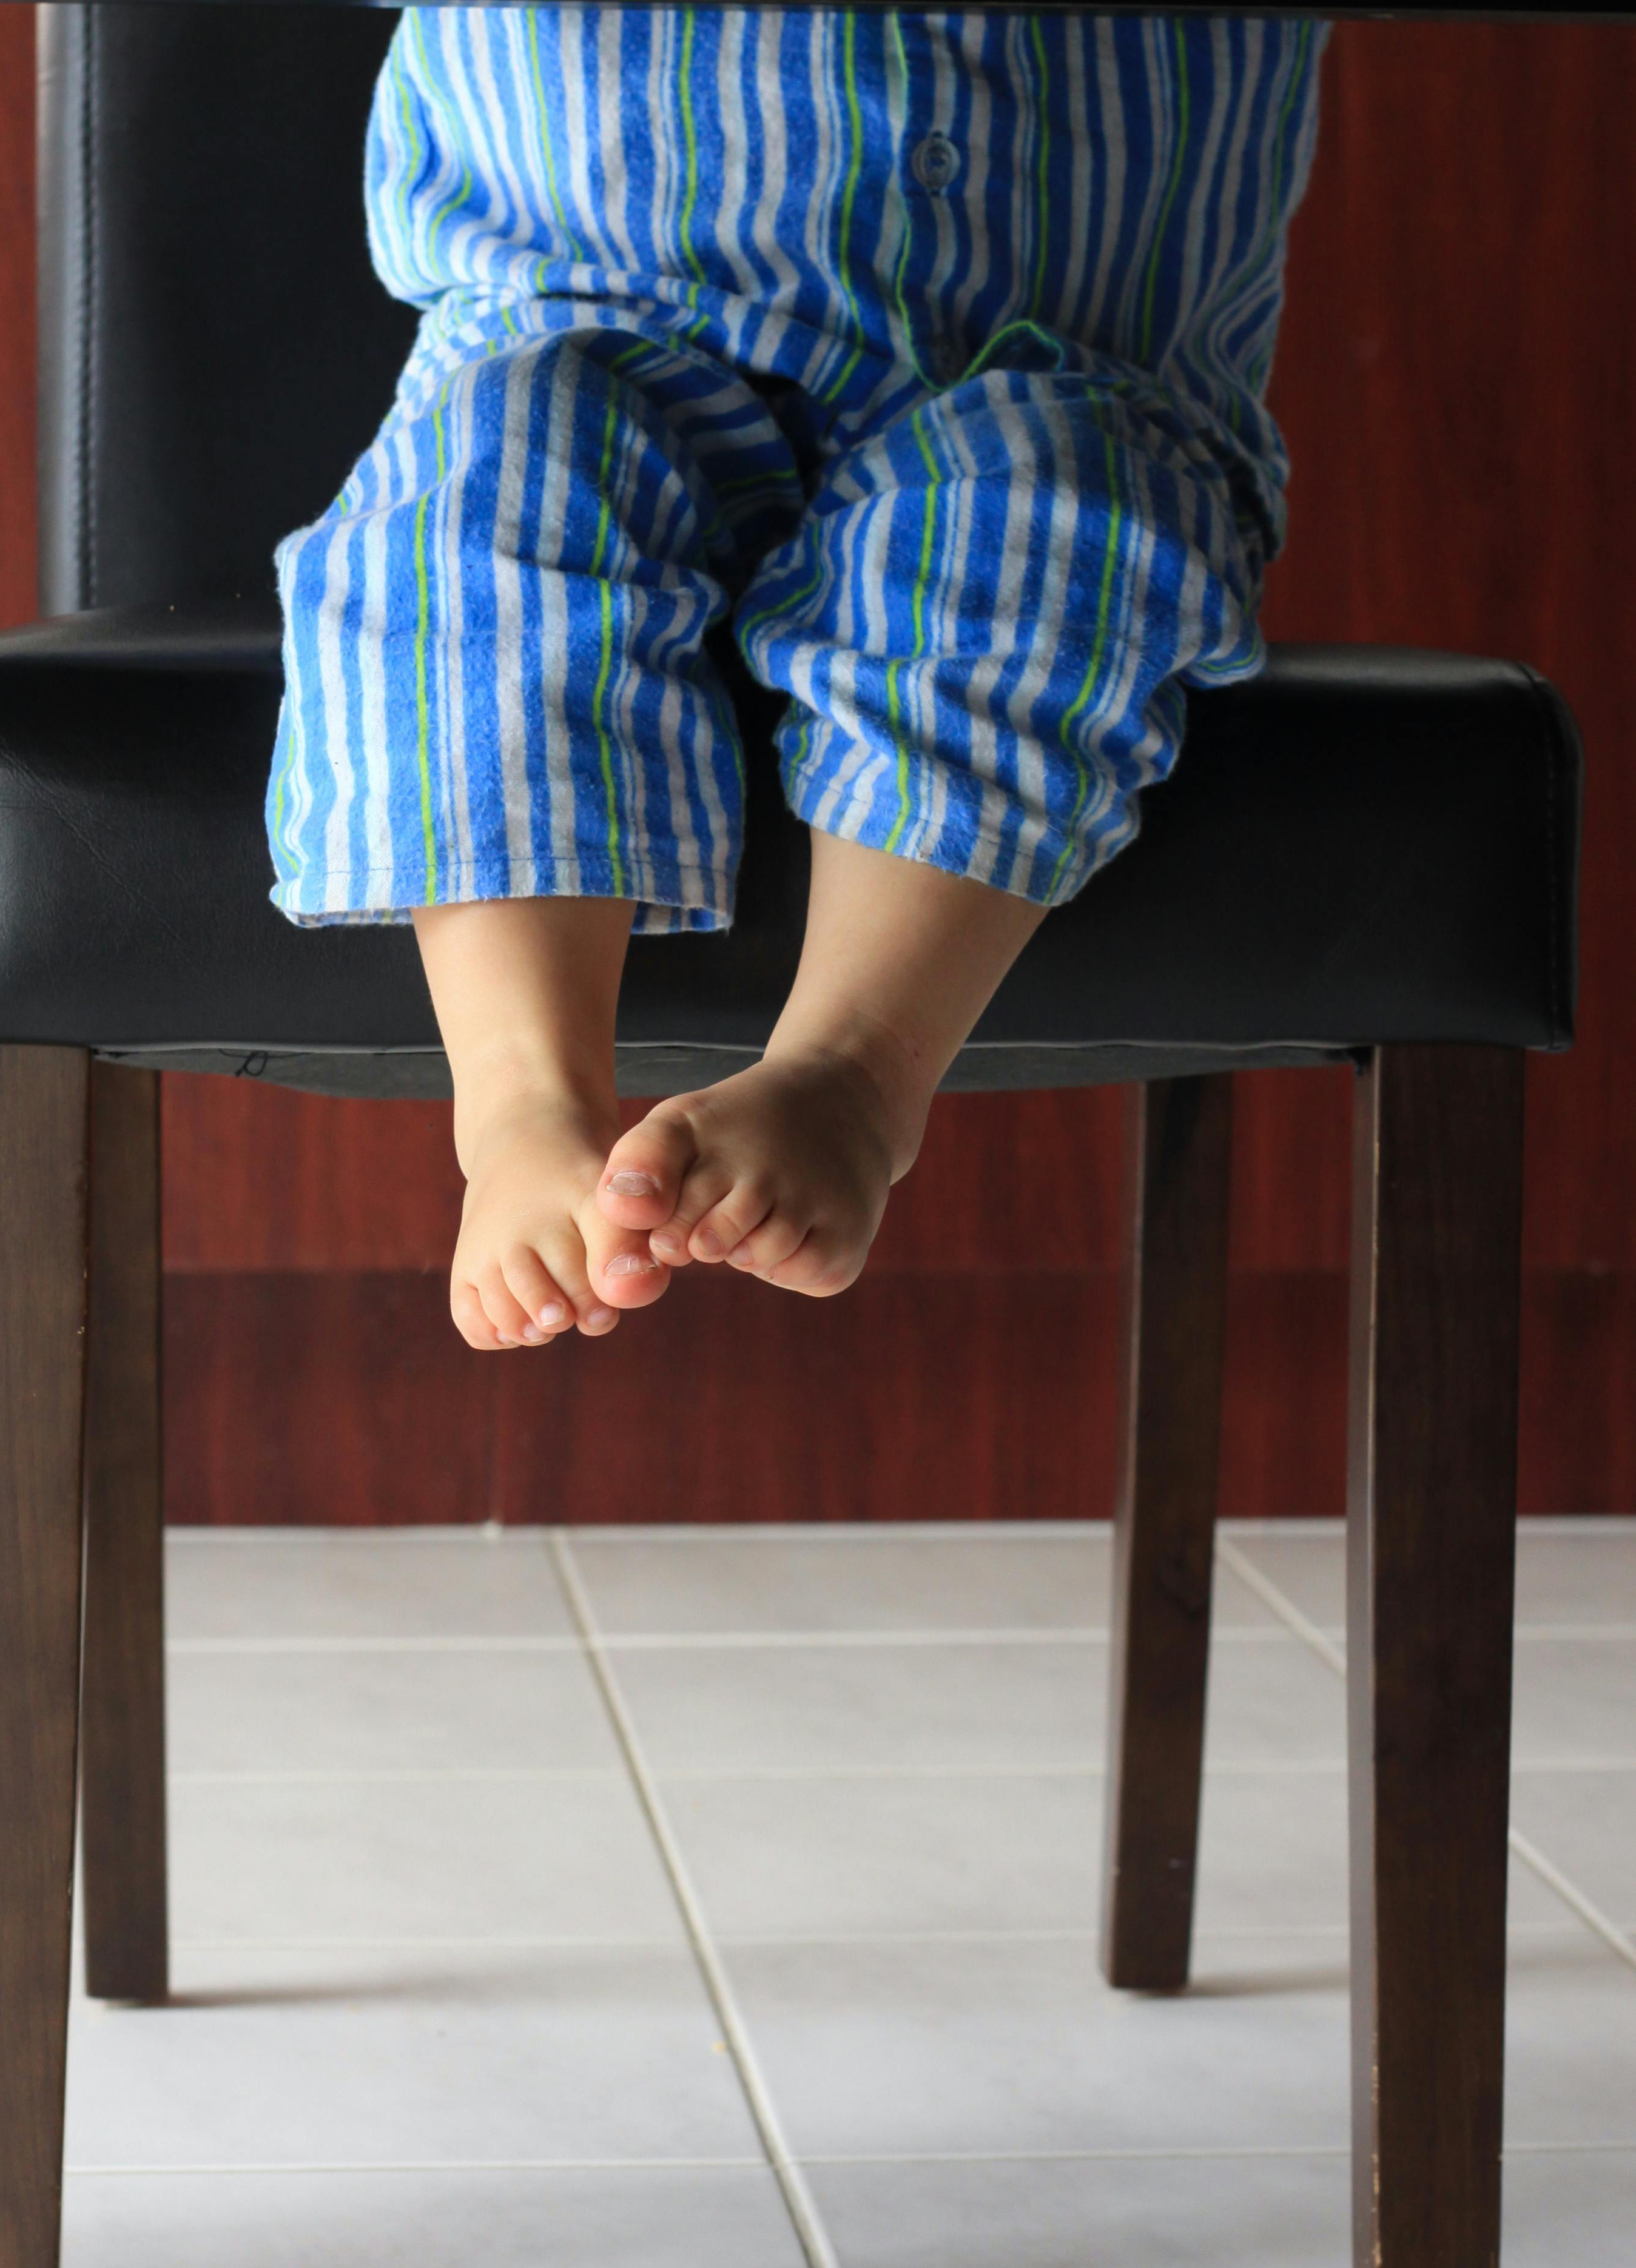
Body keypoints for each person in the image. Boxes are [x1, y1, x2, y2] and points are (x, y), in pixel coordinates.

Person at [269, 10, 1328, 1349]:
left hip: (1057, 374)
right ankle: (524, 1096)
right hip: (581, 327)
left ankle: (853, 1071)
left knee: (1047, 525)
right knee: (471, 514)